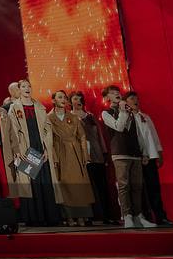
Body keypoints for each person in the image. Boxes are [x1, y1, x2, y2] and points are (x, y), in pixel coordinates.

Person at [8, 79, 62, 226]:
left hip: (40, 147)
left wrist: (46, 148)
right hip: (26, 148)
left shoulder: (39, 106)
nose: (27, 88)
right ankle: (35, 218)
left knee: (45, 180)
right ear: (19, 89)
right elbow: (13, 130)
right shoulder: (14, 107)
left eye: (29, 86)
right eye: (23, 86)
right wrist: (17, 150)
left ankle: (49, 217)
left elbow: (47, 128)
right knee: (32, 182)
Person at [101, 86, 155, 228]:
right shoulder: (106, 113)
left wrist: (144, 152)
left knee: (137, 186)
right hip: (120, 154)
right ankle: (127, 216)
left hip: (135, 153)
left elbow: (138, 134)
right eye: (112, 93)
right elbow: (118, 127)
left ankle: (138, 216)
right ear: (107, 98)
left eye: (118, 92)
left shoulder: (130, 112)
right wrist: (123, 111)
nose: (117, 94)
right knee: (124, 186)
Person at [48, 90, 94, 226]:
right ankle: (69, 217)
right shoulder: (48, 118)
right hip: (60, 152)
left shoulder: (73, 117)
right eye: (60, 97)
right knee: (64, 185)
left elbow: (82, 136)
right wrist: (54, 157)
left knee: (79, 186)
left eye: (65, 97)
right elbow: (48, 140)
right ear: (53, 100)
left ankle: (81, 216)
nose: (63, 99)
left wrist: (85, 155)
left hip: (75, 153)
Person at [127, 92, 173, 225]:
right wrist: (142, 154)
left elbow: (154, 135)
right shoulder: (128, 118)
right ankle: (144, 216)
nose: (135, 101)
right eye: (131, 98)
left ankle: (160, 216)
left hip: (151, 156)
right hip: (138, 157)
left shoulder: (145, 116)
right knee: (140, 188)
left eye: (136, 98)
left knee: (154, 187)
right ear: (126, 102)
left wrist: (159, 153)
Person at [72, 91, 116, 225]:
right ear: (70, 101)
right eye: (75, 99)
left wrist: (104, 152)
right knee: (88, 188)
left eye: (80, 98)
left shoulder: (90, 116)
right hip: (82, 157)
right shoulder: (70, 117)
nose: (78, 101)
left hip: (97, 155)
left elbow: (100, 135)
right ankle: (90, 216)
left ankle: (107, 216)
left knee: (102, 186)